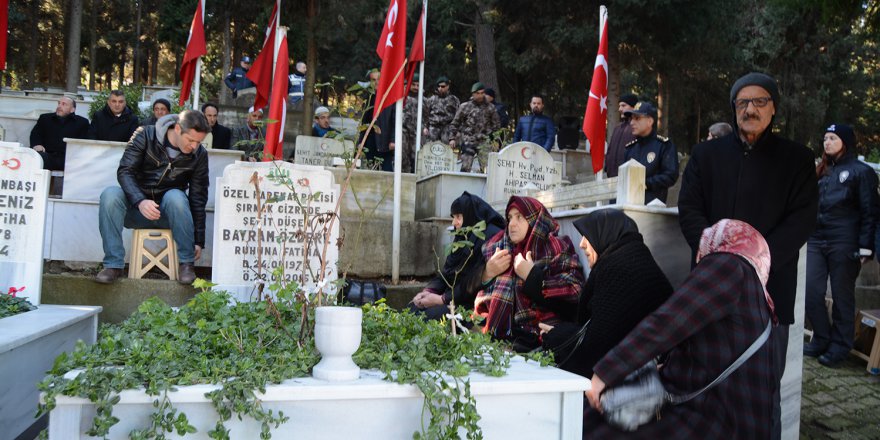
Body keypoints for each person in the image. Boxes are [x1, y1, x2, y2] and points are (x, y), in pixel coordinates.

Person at [678, 72, 818, 438]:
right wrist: (716, 256)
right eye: (742, 103)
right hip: (711, 286)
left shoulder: (797, 159)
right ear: (734, 108)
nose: (750, 109)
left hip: (770, 292)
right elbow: (690, 209)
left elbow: (801, 220)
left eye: (759, 102)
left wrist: (755, 261)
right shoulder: (706, 155)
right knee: (706, 382)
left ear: (774, 109)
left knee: (763, 392)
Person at [584, 219, 777, 439]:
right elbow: (712, 353)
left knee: (592, 427)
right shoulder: (757, 295)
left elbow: (667, 322)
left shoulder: (728, 266)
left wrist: (606, 372)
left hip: (712, 418)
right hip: (743, 423)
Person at [539, 209, 673, 377]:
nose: (581, 244)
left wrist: (556, 335)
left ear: (606, 233)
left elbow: (596, 348)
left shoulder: (619, 269)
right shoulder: (631, 259)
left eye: (588, 235)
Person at [95, 110, 210, 285]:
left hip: (169, 214)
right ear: (178, 129)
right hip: (135, 210)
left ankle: (186, 264)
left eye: (199, 142)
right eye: (191, 140)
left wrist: (198, 240)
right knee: (110, 195)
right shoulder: (145, 134)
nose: (194, 146)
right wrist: (140, 201)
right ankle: (113, 265)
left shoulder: (199, 154)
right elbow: (125, 171)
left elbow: (198, 197)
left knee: (176, 197)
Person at [804, 124, 877, 367]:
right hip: (816, 239)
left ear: (845, 142)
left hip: (844, 241)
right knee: (811, 292)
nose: (826, 142)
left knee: (841, 297)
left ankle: (839, 346)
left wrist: (866, 247)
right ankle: (822, 338)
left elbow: (870, 211)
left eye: (832, 138)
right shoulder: (821, 171)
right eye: (824, 138)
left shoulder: (861, 172)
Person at [475, 196, 585, 351]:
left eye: (519, 217)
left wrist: (532, 275)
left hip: (538, 336)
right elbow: (476, 290)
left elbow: (575, 291)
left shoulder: (557, 247)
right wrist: (486, 274)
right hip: (496, 333)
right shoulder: (497, 247)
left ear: (535, 220)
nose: (512, 224)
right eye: (510, 218)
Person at [410, 192, 506, 320]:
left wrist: (442, 299)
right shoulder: (463, 235)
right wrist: (428, 291)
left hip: (472, 303)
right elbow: (446, 273)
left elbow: (475, 281)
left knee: (426, 317)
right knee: (413, 307)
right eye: (453, 217)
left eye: (458, 216)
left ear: (470, 215)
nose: (454, 222)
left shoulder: (490, 237)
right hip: (453, 296)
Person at [623, 101, 679, 204]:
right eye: (631, 119)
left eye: (637, 118)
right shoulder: (630, 148)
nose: (631, 123)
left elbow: (670, 176)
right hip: (628, 204)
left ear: (649, 122)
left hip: (652, 209)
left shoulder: (664, 145)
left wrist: (644, 183)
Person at [448, 82, 500, 173]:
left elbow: (496, 126)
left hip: (484, 142)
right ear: (473, 94)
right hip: (469, 140)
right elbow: (455, 123)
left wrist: (495, 141)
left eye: (482, 93)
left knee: (487, 169)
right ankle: (463, 186)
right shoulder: (465, 106)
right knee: (465, 167)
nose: (480, 96)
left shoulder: (490, 107)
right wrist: (452, 138)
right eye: (477, 93)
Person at [29, 96, 89, 170]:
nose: (59, 106)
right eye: (59, 103)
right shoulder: (45, 118)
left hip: (69, 158)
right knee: (37, 158)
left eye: (64, 104)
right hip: (47, 155)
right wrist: (36, 144)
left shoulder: (82, 122)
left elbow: (85, 142)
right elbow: (35, 134)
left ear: (72, 109)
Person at [359, 68, 395, 172]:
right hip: (370, 140)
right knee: (370, 170)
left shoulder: (390, 98)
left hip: (385, 140)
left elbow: (394, 120)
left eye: (378, 79)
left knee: (387, 171)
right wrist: (361, 141)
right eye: (373, 80)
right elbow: (364, 121)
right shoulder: (368, 98)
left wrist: (393, 139)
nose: (376, 82)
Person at [604, 94, 638, 178]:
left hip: (629, 178)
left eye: (623, 105)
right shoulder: (617, 128)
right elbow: (610, 150)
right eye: (619, 106)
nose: (620, 109)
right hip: (612, 178)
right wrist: (607, 168)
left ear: (633, 107)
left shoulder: (639, 128)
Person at [423, 76, 460, 145]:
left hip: (447, 128)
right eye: (438, 86)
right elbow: (426, 114)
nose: (440, 88)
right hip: (433, 128)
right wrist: (425, 127)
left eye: (443, 86)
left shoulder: (454, 100)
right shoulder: (431, 99)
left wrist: (456, 132)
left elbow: (458, 117)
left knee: (446, 151)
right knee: (431, 150)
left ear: (448, 86)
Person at [402, 74, 426, 173]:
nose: (416, 87)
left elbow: (428, 117)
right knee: (403, 157)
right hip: (403, 131)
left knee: (416, 158)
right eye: (413, 85)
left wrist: (425, 128)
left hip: (417, 133)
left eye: (418, 85)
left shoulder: (424, 101)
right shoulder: (403, 98)